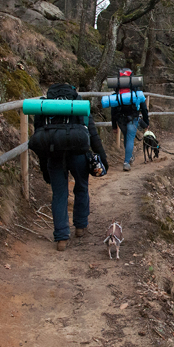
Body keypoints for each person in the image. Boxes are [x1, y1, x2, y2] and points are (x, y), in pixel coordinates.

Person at [33, 83, 109, 251]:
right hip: (78, 154)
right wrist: (102, 157)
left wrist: (44, 167)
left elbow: (40, 140)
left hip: (53, 154)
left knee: (59, 194)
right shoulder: (78, 105)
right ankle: (81, 227)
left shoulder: (45, 107)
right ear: (73, 93)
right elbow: (92, 133)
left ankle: (61, 238)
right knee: (81, 187)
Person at [110, 68, 149, 172]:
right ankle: (127, 162)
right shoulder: (137, 93)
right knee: (130, 138)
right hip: (133, 118)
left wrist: (114, 125)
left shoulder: (117, 94)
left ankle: (129, 157)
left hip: (120, 119)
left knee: (127, 137)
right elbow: (144, 108)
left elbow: (113, 111)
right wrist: (146, 122)